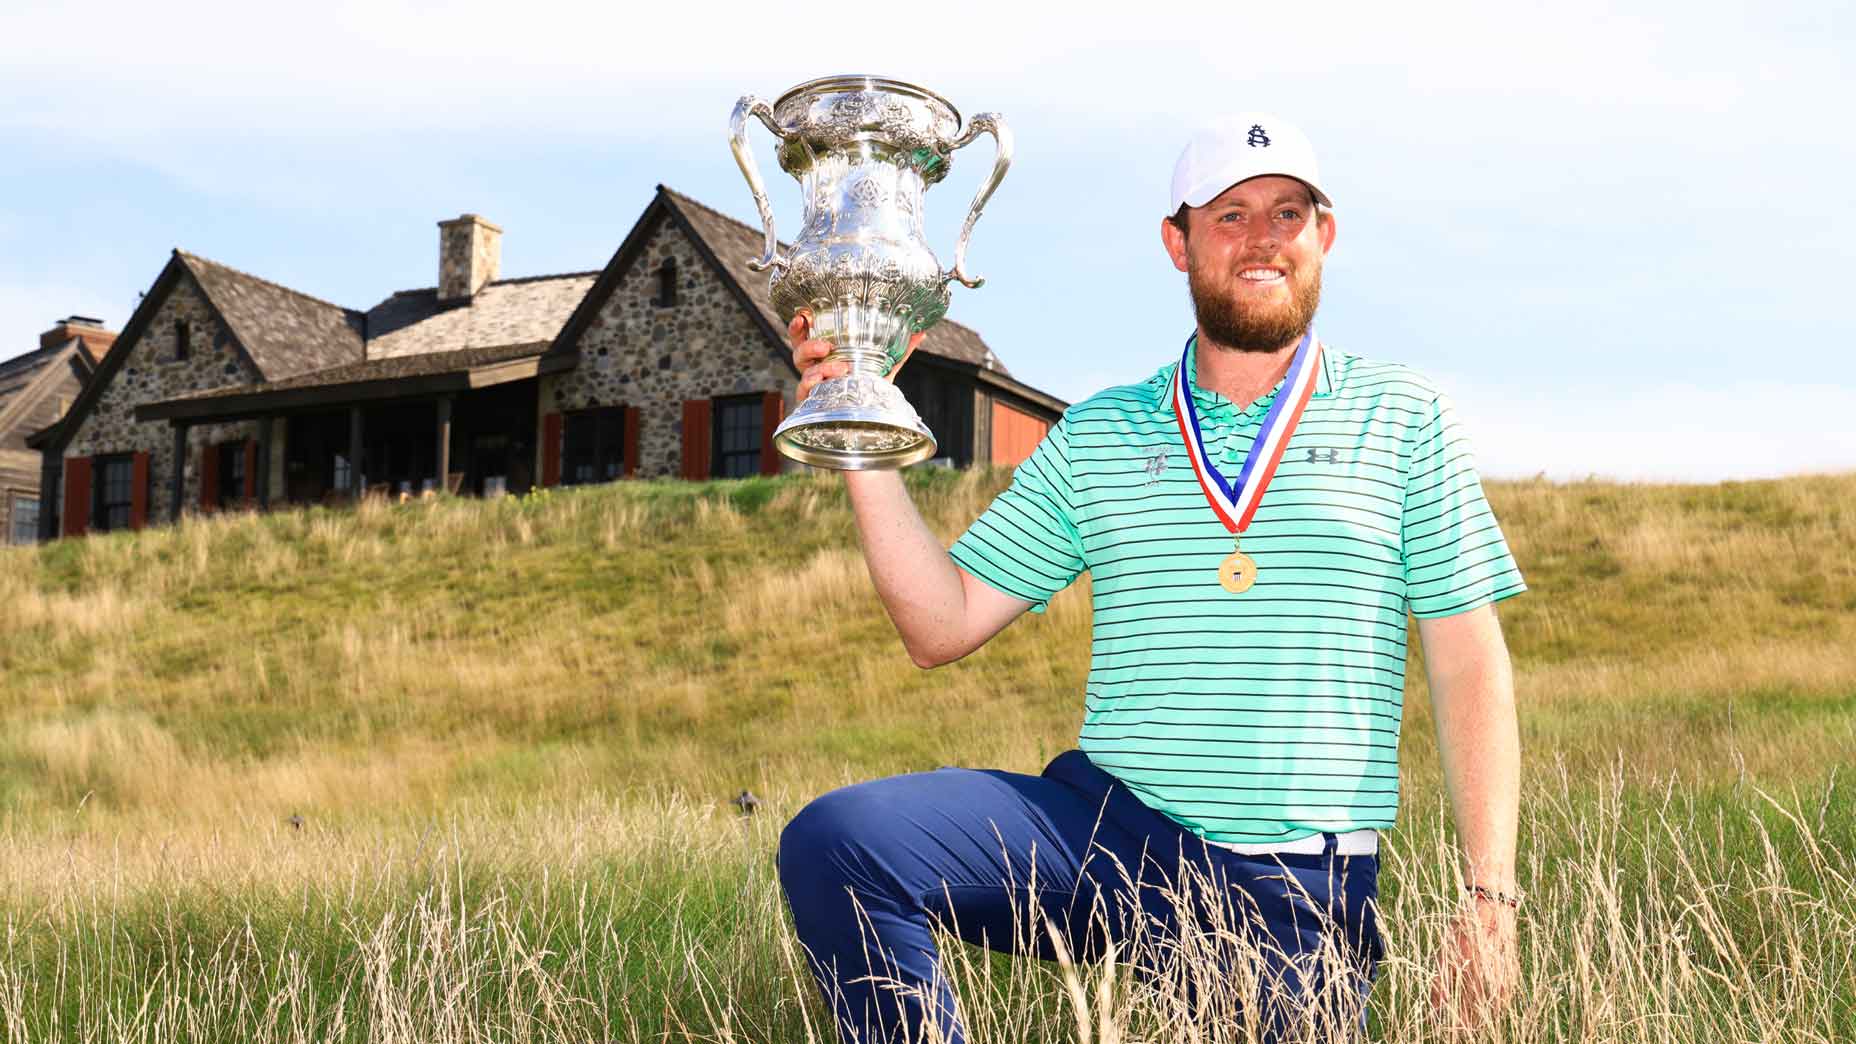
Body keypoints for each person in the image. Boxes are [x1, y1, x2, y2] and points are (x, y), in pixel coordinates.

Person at [778, 112, 1524, 1043]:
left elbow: (1468, 667)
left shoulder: (1406, 420)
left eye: (1287, 214)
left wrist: (1489, 897)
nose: (1262, 239)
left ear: (1323, 236)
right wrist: (863, 432)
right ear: (1178, 243)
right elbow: (942, 624)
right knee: (842, 842)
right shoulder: (1099, 434)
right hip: (1108, 833)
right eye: (1229, 216)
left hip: (1294, 889)